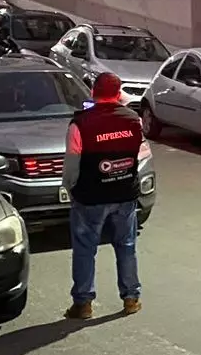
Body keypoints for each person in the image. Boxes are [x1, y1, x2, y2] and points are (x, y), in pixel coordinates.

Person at [62, 72, 145, 320]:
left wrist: (70, 188)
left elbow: (71, 165)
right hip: (124, 194)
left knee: (85, 249)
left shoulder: (80, 124)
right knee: (126, 246)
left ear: (93, 92)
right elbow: (138, 156)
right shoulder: (133, 120)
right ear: (119, 94)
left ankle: (83, 304)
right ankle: (131, 298)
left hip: (90, 197)